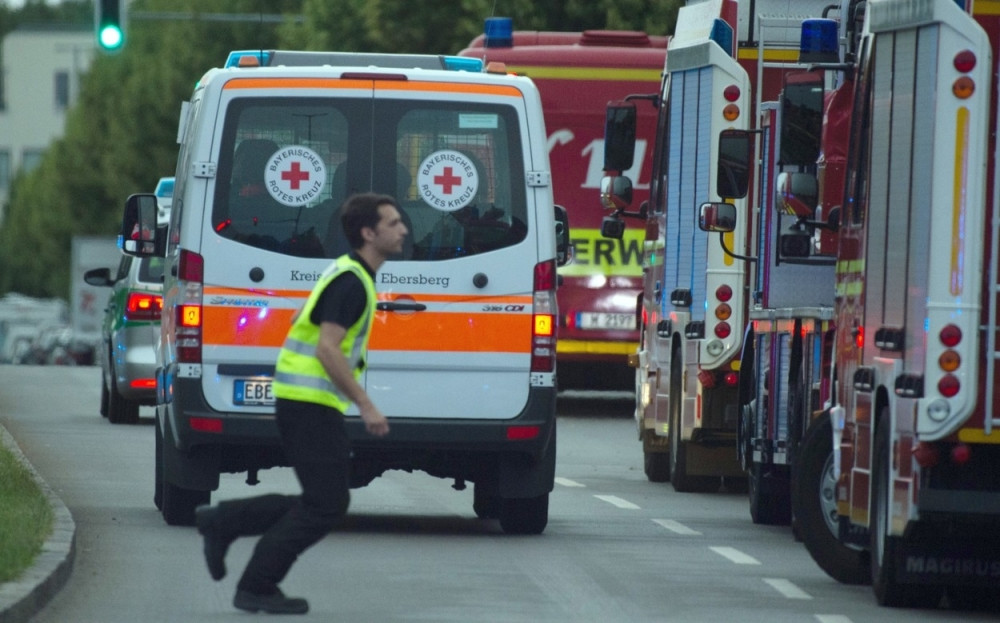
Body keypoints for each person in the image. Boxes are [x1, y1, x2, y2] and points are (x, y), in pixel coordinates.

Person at [194, 193, 408, 614]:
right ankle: (254, 583)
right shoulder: (352, 281)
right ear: (369, 233)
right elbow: (328, 349)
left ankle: (225, 523)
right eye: (394, 222)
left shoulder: (349, 273)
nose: (403, 229)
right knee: (326, 503)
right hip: (307, 403)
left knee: (321, 500)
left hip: (305, 401)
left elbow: (300, 320)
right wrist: (366, 404)